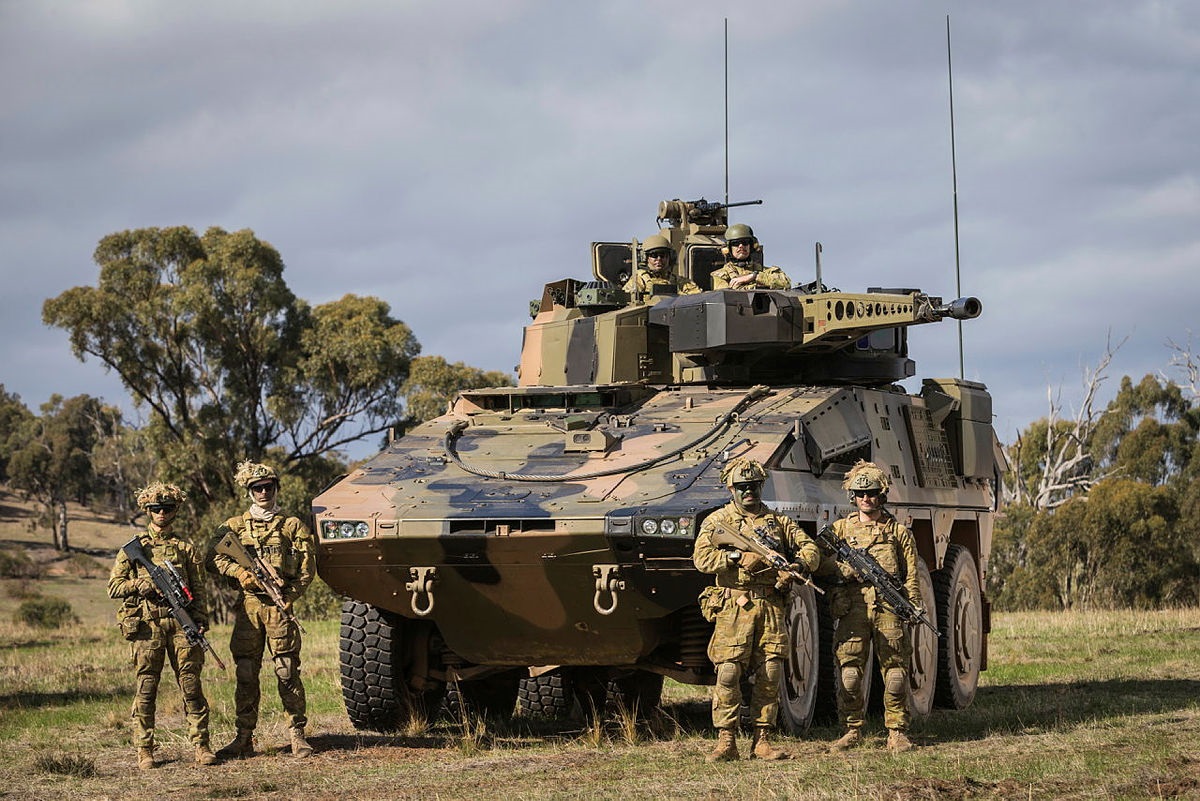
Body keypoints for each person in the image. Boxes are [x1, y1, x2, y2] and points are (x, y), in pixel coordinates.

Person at [692, 457, 820, 762]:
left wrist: (796, 566)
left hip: (771, 606)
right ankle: (726, 740)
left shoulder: (778, 522)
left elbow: (811, 549)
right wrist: (736, 557)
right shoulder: (717, 521)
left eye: (754, 486)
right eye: (742, 487)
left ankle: (762, 739)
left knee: (770, 672)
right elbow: (701, 559)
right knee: (728, 671)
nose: (749, 492)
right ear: (731, 488)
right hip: (734, 606)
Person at [210, 461, 315, 759]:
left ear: (277, 488)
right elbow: (212, 559)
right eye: (257, 488)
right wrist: (240, 573)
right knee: (245, 672)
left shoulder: (292, 525)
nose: (264, 492)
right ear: (249, 492)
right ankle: (244, 738)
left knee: (287, 671)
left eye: (269, 487)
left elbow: (307, 570)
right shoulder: (233, 527)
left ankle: (297, 735)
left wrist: (289, 596)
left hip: (279, 607)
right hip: (249, 608)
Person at [107, 482, 216, 770]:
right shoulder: (134, 549)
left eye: (167, 509)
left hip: (181, 625)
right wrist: (141, 583)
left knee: (191, 685)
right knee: (146, 687)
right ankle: (145, 749)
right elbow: (113, 587)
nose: (162, 514)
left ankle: (202, 745)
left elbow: (199, 589)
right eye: (156, 509)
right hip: (147, 627)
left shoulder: (186, 549)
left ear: (175, 511)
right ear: (147, 511)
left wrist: (201, 621)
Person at [820, 460, 922, 754]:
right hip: (852, 608)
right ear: (852, 496)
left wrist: (914, 605)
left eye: (873, 492)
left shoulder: (898, 532)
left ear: (882, 494)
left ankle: (896, 731)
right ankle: (851, 729)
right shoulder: (840, 530)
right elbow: (816, 561)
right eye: (860, 493)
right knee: (850, 673)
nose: (867, 498)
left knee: (895, 674)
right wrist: (843, 571)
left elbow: (911, 573)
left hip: (888, 608)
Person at [710, 223, 792, 290]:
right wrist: (760, 285)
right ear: (728, 249)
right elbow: (727, 296)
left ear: (752, 246)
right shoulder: (719, 275)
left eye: (745, 242)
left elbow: (786, 283)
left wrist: (754, 276)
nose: (741, 246)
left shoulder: (764, 271)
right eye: (736, 243)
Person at [622, 234, 701, 299]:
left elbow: (697, 298)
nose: (659, 259)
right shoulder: (640, 278)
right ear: (646, 258)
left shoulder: (680, 282)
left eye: (663, 255)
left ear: (669, 258)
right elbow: (627, 299)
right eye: (654, 255)